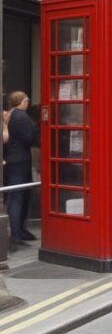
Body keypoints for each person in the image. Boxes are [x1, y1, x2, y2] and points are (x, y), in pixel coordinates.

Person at [3, 91, 38, 244]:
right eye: (26, 100)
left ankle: (20, 230)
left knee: (17, 195)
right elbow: (30, 138)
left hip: (11, 159)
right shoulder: (21, 116)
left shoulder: (9, 115)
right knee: (18, 196)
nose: (27, 103)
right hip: (21, 160)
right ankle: (17, 233)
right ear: (22, 101)